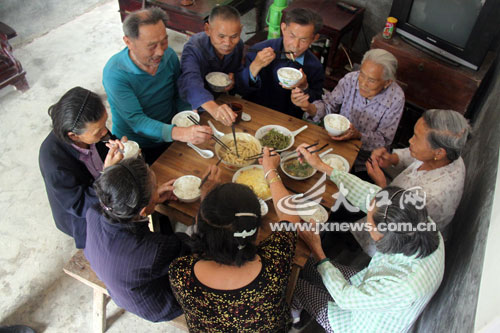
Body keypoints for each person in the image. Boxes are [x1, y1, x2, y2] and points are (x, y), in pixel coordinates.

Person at [169, 148, 300, 331]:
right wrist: (270, 169)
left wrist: (206, 195)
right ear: (255, 230)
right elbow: (290, 215)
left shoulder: (180, 273)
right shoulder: (276, 261)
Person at [291, 181, 444, 333]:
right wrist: (327, 169)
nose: (365, 225)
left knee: (294, 283)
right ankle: (299, 303)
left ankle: (295, 316)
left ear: (385, 237)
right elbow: (371, 196)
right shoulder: (419, 223)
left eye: (369, 224)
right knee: (308, 266)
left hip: (357, 324)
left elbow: (345, 298)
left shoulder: (404, 286)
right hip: (370, 288)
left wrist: (317, 249)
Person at [84, 158, 191, 322]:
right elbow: (188, 246)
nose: (157, 188)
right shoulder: (154, 250)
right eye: (155, 187)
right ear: (143, 211)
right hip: (157, 306)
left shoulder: (94, 212)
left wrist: (152, 199)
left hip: (119, 284)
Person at [103, 8, 212, 164]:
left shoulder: (169, 57)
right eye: (152, 46)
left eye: (164, 41)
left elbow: (178, 93)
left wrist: (187, 117)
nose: (161, 51)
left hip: (171, 134)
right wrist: (180, 133)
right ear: (128, 42)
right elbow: (136, 121)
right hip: (138, 147)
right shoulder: (115, 74)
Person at [292, 48, 405, 174]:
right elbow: (329, 105)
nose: (362, 83)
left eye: (371, 80)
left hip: (365, 162)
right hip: (331, 148)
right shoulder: (350, 79)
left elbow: (383, 141)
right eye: (362, 74)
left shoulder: (396, 98)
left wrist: (358, 135)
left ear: (387, 82)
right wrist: (309, 107)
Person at [364, 109, 469, 242]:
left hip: (394, 236)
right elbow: (415, 155)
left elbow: (394, 226)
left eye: (416, 138)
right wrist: (392, 158)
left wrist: (382, 187)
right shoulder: (448, 154)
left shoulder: (431, 197)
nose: (410, 140)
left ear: (439, 153)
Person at [39, 87, 124, 249]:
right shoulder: (53, 160)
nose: (106, 132)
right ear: (73, 135)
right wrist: (107, 173)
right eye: (99, 130)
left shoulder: (94, 134)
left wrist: (121, 149)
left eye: (105, 123)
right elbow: (79, 205)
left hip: (105, 190)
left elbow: (108, 139)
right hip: (82, 216)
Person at [236, 7, 324, 119]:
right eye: (292, 36)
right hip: (252, 113)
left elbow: (316, 104)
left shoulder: (314, 66)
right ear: (283, 28)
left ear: (314, 38)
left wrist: (304, 87)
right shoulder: (260, 50)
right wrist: (255, 66)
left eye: (303, 40)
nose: (295, 45)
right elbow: (240, 90)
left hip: (288, 120)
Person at [178, 5, 243, 126]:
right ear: (208, 29)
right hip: (196, 107)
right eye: (221, 36)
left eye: (234, 36)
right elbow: (190, 82)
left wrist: (233, 81)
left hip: (222, 102)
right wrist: (214, 109)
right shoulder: (193, 47)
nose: (228, 43)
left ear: (241, 30)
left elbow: (237, 71)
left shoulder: (238, 45)